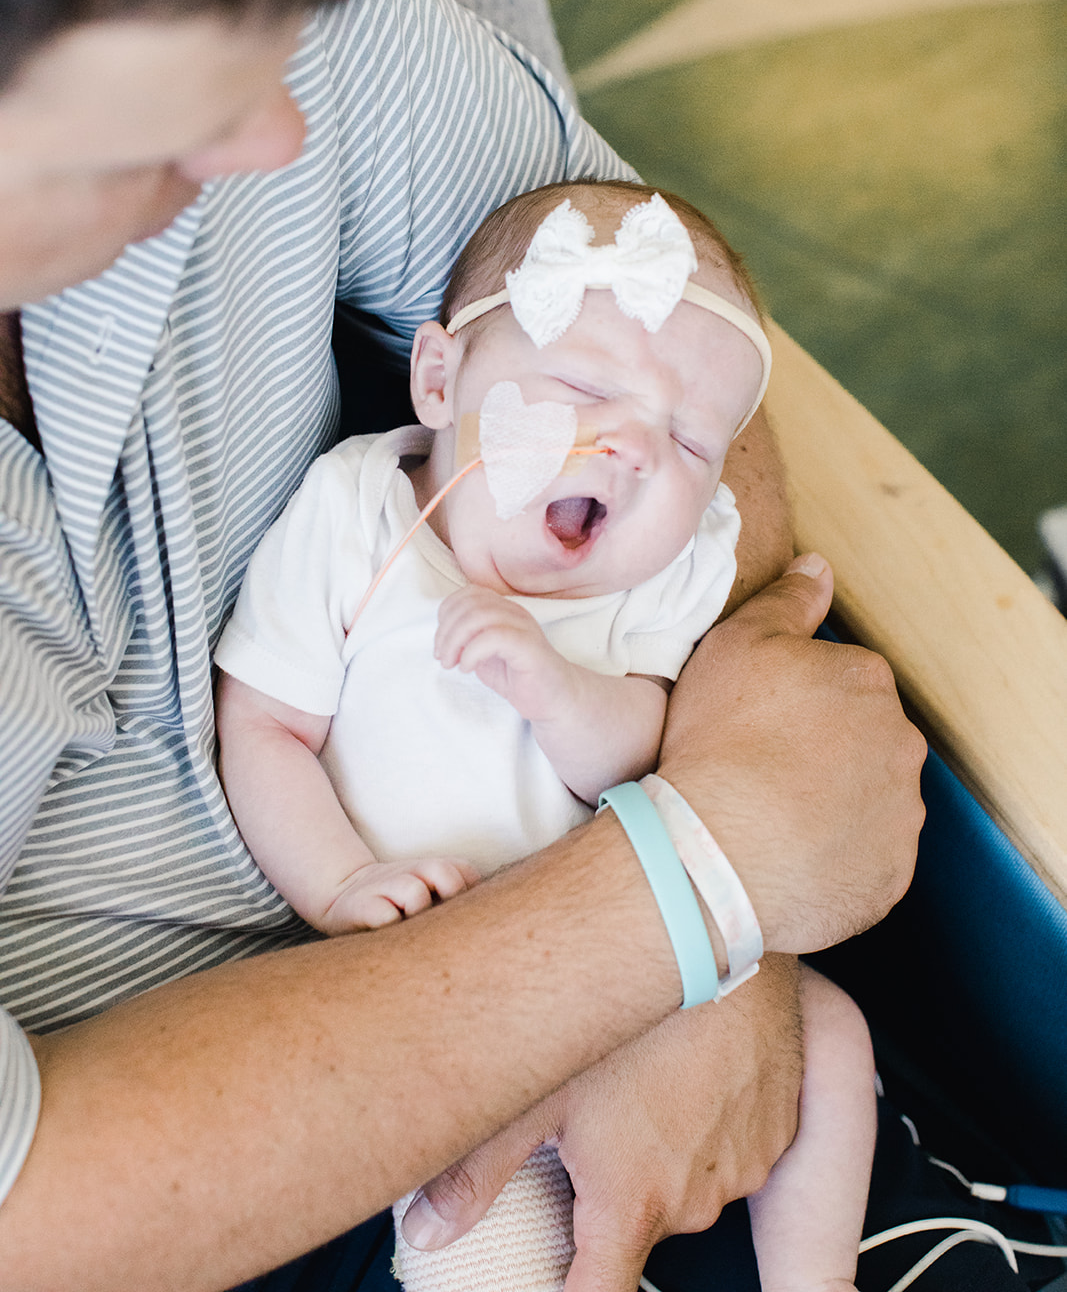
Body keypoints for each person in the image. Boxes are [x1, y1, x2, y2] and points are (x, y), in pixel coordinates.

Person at [0, 0, 926, 1287]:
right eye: (187, 104)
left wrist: (702, 921)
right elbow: (37, 1214)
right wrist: (687, 898)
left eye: (285, 27)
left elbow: (656, 289)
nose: (281, 129)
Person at [215, 177, 879, 1292]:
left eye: (688, 441)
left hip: (654, 958)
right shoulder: (357, 514)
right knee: (482, 1235)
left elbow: (646, 754)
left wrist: (553, 687)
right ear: (439, 380)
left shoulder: (653, 578)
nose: (629, 450)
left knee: (835, 1040)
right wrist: (338, 884)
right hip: (437, 989)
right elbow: (266, 725)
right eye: (581, 388)